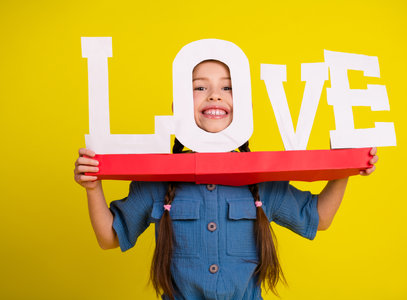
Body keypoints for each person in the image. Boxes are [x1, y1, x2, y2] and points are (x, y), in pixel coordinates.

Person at [74, 60, 378, 300]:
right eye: (199, 88)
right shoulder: (158, 182)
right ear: (177, 107)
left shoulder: (261, 180)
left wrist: (344, 167)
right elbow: (109, 237)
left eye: (227, 88)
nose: (215, 95)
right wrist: (93, 187)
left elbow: (318, 217)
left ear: (242, 109)